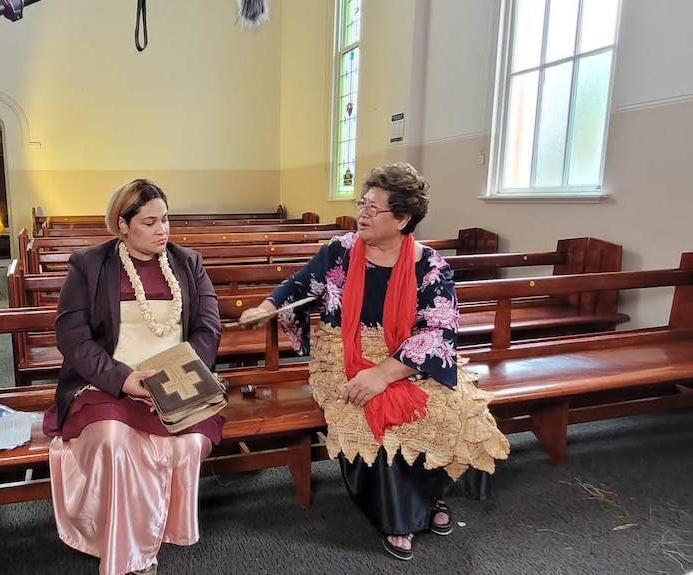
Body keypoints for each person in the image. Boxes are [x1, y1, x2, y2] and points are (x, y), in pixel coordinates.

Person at [240, 163, 510, 561]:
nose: (362, 213)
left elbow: (439, 331)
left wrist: (385, 373)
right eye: (362, 203)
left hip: (404, 356)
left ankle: (430, 497)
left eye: (374, 208)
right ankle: (399, 517)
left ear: (402, 219)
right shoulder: (340, 252)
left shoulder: (430, 265)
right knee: (372, 414)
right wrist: (265, 306)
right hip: (342, 352)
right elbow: (299, 285)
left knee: (451, 408)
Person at [42, 179, 223, 575]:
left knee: (189, 443)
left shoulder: (188, 262)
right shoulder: (89, 265)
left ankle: (153, 534)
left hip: (177, 381)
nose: (163, 230)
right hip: (108, 382)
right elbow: (72, 337)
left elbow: (208, 328)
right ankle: (128, 550)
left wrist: (179, 376)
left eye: (166, 220)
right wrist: (123, 380)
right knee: (113, 442)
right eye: (150, 222)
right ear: (123, 225)